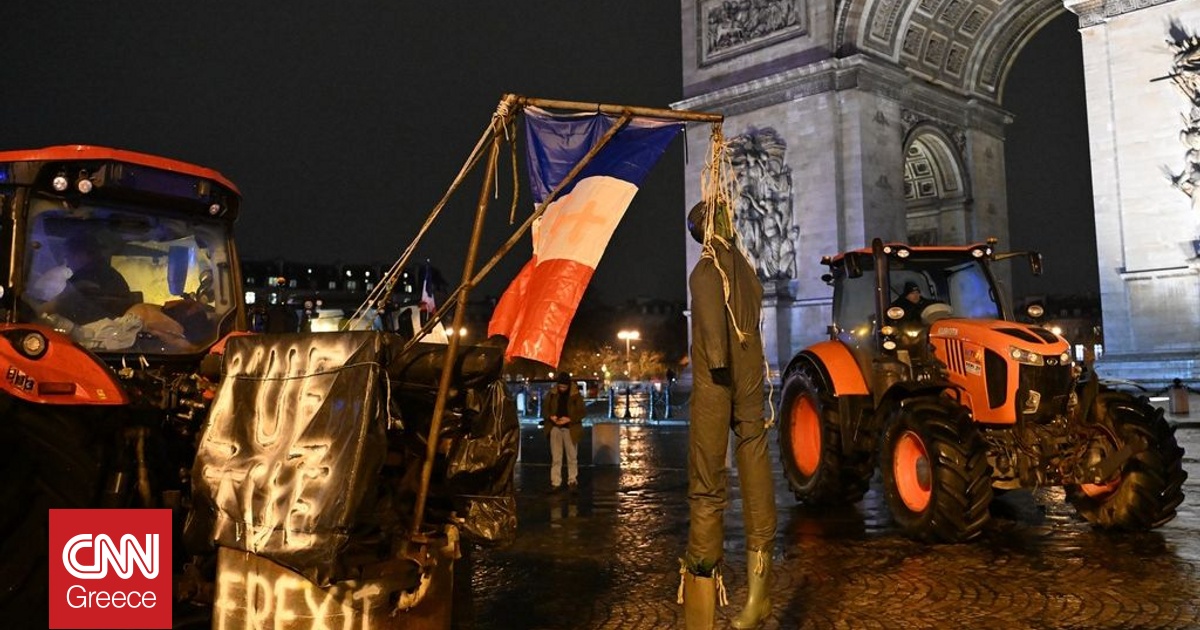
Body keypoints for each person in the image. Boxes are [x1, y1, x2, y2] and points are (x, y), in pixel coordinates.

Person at [680, 200, 776, 630]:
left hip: (715, 383)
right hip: (752, 377)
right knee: (756, 469)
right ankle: (759, 595)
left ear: (700, 232)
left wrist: (717, 361)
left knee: (706, 482)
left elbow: (715, 349)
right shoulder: (748, 270)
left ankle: (700, 603)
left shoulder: (706, 271)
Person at [41, 233, 132, 325]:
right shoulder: (111, 275)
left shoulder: (85, 279)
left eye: (68, 257)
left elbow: (58, 304)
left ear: (82, 255)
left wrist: (38, 312)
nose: (67, 265)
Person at [542, 371, 585, 494]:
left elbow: (582, 412)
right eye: (560, 386)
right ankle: (555, 482)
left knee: (572, 456)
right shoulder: (552, 394)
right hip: (555, 427)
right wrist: (551, 417)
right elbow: (545, 409)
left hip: (570, 428)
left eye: (564, 387)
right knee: (556, 457)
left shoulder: (576, 395)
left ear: (568, 386)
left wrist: (569, 419)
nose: (562, 389)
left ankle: (572, 480)